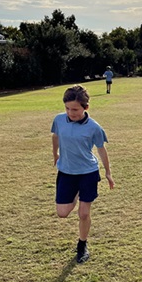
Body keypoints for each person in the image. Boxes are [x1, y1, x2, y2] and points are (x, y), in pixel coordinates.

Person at [51, 85, 114, 263]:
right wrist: (55, 153)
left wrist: (108, 172)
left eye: (75, 109)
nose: (71, 113)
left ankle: (82, 245)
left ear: (85, 108)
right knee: (62, 213)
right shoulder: (59, 120)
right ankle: (76, 193)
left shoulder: (94, 127)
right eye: (67, 108)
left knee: (84, 214)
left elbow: (101, 150)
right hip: (66, 172)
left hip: (87, 172)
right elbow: (55, 136)